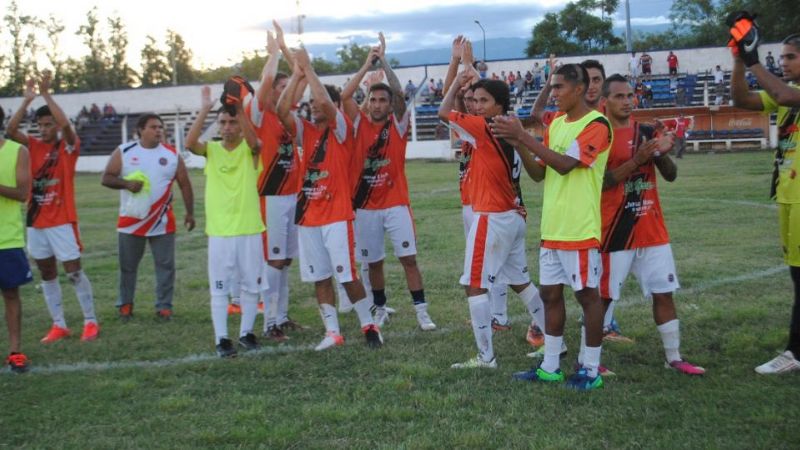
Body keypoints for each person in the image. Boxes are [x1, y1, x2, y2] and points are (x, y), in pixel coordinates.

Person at [492, 63, 612, 390]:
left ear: (578, 89)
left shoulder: (597, 124)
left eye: (558, 88)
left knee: (588, 297)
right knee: (550, 297)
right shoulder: (557, 123)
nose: (553, 94)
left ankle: (590, 369)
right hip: (552, 230)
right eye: (552, 87)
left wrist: (522, 136)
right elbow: (539, 173)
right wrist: (517, 142)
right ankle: (550, 366)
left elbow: (564, 165)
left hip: (580, 229)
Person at [438, 64, 546, 370]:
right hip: (514, 213)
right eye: (475, 100)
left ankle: (486, 357)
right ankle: (555, 341)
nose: (476, 105)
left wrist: (458, 79)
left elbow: (444, 112)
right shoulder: (510, 125)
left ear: (498, 104)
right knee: (521, 282)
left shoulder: (486, 127)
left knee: (474, 285)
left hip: (493, 216)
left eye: (483, 101)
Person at [598, 74, 705, 375]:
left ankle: (674, 357)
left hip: (652, 228)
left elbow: (670, 175)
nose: (628, 101)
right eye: (619, 96)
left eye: (630, 95)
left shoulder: (646, 130)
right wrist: (637, 159)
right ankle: (588, 360)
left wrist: (659, 154)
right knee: (603, 298)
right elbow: (601, 183)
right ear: (605, 102)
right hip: (615, 229)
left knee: (663, 292)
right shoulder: (600, 135)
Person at [277, 48, 383, 350]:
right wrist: (298, 75)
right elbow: (282, 112)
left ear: (334, 108)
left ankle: (368, 325)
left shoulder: (341, 130)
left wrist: (308, 69)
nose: (314, 106)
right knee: (320, 278)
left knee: (347, 275)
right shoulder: (305, 131)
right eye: (309, 103)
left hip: (336, 215)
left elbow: (324, 99)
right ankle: (333, 332)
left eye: (318, 102)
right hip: (308, 216)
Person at [341, 33, 437, 331]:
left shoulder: (398, 125)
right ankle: (380, 308)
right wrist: (366, 66)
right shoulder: (358, 123)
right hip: (366, 207)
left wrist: (384, 61)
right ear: (367, 103)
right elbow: (345, 97)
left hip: (396, 204)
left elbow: (398, 92)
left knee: (409, 259)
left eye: (383, 99)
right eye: (374, 99)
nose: (379, 103)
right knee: (374, 264)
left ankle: (422, 312)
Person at [728, 22, 800, 373]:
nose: (783, 62)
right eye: (783, 57)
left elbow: (786, 96)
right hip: (789, 197)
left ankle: (795, 353)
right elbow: (742, 100)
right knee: (797, 275)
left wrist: (754, 60)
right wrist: (740, 61)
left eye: (791, 57)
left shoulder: (791, 93)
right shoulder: (789, 91)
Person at [6, 72, 99, 343]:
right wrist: (27, 101)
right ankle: (59, 324)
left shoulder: (68, 147)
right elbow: (10, 131)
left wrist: (47, 95)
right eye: (41, 125)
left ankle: (90, 321)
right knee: (46, 273)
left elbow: (67, 127)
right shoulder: (31, 146)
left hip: (62, 222)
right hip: (36, 222)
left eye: (49, 124)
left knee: (73, 272)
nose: (44, 129)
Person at [186, 83, 265, 357]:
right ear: (218, 126)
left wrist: (240, 109)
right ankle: (222, 339)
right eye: (223, 122)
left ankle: (246, 333)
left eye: (232, 122)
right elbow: (188, 144)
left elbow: (255, 143)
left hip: (249, 229)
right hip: (219, 232)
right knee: (219, 288)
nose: (228, 127)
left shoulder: (251, 150)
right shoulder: (211, 150)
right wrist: (206, 109)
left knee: (250, 285)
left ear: (241, 125)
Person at [101, 114, 195, 320]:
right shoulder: (124, 151)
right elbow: (106, 178)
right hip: (130, 221)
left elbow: (185, 184)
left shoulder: (171, 155)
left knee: (165, 266)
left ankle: (164, 306)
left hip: (161, 221)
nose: (159, 130)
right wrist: (126, 184)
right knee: (128, 266)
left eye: (160, 127)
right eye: (153, 127)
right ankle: (125, 304)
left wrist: (190, 212)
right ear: (140, 130)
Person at [249, 25, 306, 341]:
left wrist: (285, 47)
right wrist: (273, 55)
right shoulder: (258, 116)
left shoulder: (286, 115)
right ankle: (269, 322)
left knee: (284, 260)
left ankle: (281, 317)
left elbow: (301, 72)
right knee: (274, 259)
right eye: (279, 87)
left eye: (288, 88)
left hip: (291, 195)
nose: (285, 92)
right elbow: (268, 80)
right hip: (270, 196)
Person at [0, 107, 33, 373]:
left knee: (11, 294)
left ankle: (15, 351)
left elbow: (22, 193)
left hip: (6, 239)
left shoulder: (16, 152)